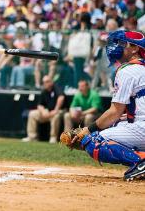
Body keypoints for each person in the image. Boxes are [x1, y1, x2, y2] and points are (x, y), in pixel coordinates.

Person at [61, 30, 145, 181]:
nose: (116, 47)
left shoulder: (128, 70)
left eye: (122, 44)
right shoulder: (140, 68)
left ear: (135, 48)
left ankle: (140, 161)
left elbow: (115, 111)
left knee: (93, 141)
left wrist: (88, 130)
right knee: (116, 125)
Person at [22, 75, 66, 143]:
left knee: (56, 116)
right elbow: (40, 105)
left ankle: (53, 137)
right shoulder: (44, 91)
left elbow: (61, 98)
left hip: (60, 110)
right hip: (48, 112)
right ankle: (32, 137)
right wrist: (43, 112)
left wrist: (55, 110)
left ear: (51, 82)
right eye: (44, 82)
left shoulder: (57, 88)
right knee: (32, 114)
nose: (45, 83)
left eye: (47, 82)